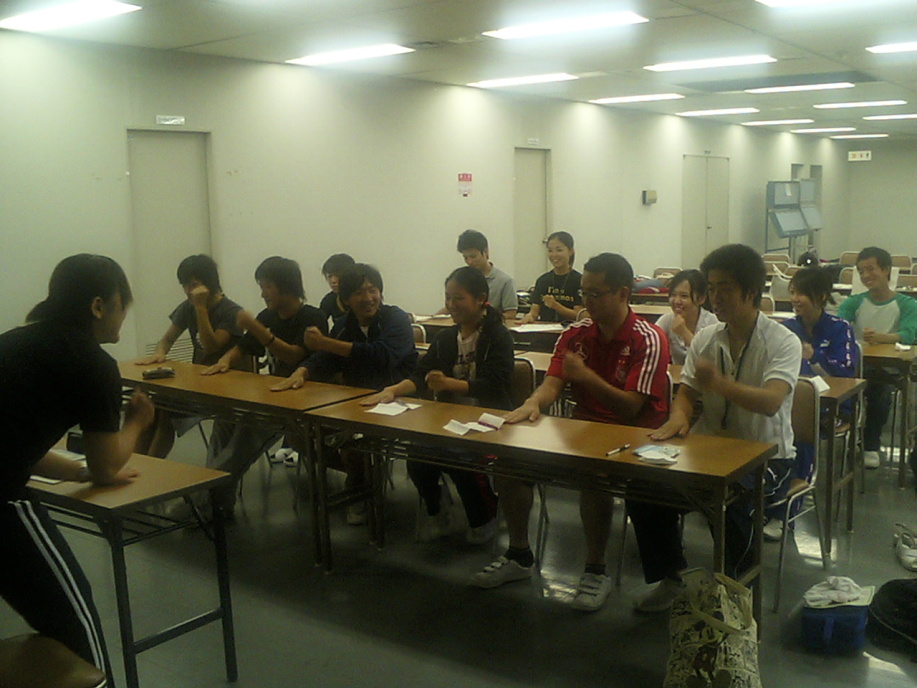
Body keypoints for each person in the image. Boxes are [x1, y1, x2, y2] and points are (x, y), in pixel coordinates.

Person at [469, 253, 670, 613]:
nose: (586, 302)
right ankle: (518, 555)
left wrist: (586, 377)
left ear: (623, 294)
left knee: (593, 473)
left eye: (595, 294)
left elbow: (631, 408)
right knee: (510, 460)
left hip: (633, 438)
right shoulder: (576, 334)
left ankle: (595, 570)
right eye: (583, 293)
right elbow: (553, 382)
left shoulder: (648, 338)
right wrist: (533, 403)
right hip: (581, 430)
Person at [0, 254, 155, 680]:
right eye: (122, 305)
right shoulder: (92, 363)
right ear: (98, 306)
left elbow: (18, 445)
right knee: (73, 614)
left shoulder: (16, 343)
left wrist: (77, 472)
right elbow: (107, 468)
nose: (123, 316)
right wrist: (137, 422)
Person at [645, 244, 801, 610]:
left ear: (751, 291)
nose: (715, 297)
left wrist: (719, 384)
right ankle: (672, 576)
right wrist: (679, 417)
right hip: (710, 451)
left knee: (731, 504)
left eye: (724, 288)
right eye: (711, 288)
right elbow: (686, 393)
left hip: (766, 457)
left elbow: (771, 401)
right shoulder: (706, 337)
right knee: (647, 488)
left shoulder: (783, 342)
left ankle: (736, 595)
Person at [360, 266, 511, 543]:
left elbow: (496, 384)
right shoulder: (445, 338)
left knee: (460, 457)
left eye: (458, 298)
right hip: (450, 419)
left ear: (481, 299)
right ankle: (437, 508)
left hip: (489, 420)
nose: (451, 305)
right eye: (448, 298)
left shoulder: (498, 337)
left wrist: (449, 384)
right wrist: (392, 391)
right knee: (418, 455)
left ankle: (485, 516)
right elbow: (420, 375)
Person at [272, 263, 417, 523]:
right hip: (355, 403)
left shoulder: (395, 319)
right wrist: (302, 371)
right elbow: (325, 358)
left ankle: (359, 485)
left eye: (373, 290)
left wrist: (326, 343)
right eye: (359, 293)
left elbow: (382, 355)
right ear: (346, 299)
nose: (368, 298)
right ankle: (363, 475)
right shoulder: (344, 325)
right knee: (297, 434)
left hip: (396, 400)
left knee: (353, 442)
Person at [201, 256, 327, 513]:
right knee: (224, 420)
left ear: (287, 286)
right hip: (271, 396)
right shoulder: (267, 316)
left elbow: (294, 356)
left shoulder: (313, 317)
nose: (262, 294)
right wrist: (225, 361)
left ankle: (203, 498)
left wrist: (258, 329)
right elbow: (243, 347)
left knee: (242, 440)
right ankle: (216, 500)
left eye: (267, 286)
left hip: (301, 402)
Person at [769, 266, 858, 540]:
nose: (794, 299)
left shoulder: (840, 328)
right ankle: (762, 497)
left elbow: (846, 373)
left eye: (801, 294)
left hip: (831, 406)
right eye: (792, 292)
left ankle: (783, 515)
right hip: (789, 401)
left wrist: (814, 356)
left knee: (800, 432)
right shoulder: (786, 328)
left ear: (820, 297)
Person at [135, 254, 243, 458]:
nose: (188, 290)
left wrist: (200, 308)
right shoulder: (187, 307)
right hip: (198, 383)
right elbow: (167, 340)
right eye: (184, 285)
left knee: (164, 411)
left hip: (226, 389)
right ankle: (139, 464)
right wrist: (159, 353)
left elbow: (211, 346)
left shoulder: (230, 311)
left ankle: (151, 464)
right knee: (152, 407)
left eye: (193, 284)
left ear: (209, 283)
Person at [838, 246, 917, 469]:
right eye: (861, 271)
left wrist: (881, 338)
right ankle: (846, 431)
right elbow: (839, 327)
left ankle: (870, 444)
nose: (866, 275)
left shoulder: (907, 304)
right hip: (858, 365)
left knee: (880, 392)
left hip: (889, 368)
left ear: (886, 270)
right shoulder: (854, 302)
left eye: (870, 269)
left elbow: (909, 335)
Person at [654, 269, 718, 366]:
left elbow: (710, 361)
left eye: (684, 296)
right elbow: (652, 344)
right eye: (673, 295)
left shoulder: (712, 323)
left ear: (701, 299)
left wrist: (684, 333)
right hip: (676, 374)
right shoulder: (667, 320)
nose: (676, 301)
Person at [452, 230, 517, 321]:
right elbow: (452, 307)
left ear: (485, 252)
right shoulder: (463, 279)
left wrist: (485, 321)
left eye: (473, 256)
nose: (469, 262)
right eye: (465, 258)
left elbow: (511, 314)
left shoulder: (505, 281)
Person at [521, 231, 582, 323]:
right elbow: (534, 312)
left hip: (571, 329)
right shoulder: (543, 280)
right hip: (546, 329)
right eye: (550, 251)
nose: (554, 255)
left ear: (571, 251)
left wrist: (556, 306)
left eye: (559, 250)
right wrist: (529, 317)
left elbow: (579, 315)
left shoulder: (579, 280)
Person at [319, 253, 355, 326]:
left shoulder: (365, 296)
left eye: (338, 275)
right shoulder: (328, 300)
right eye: (330, 276)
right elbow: (318, 324)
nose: (333, 281)